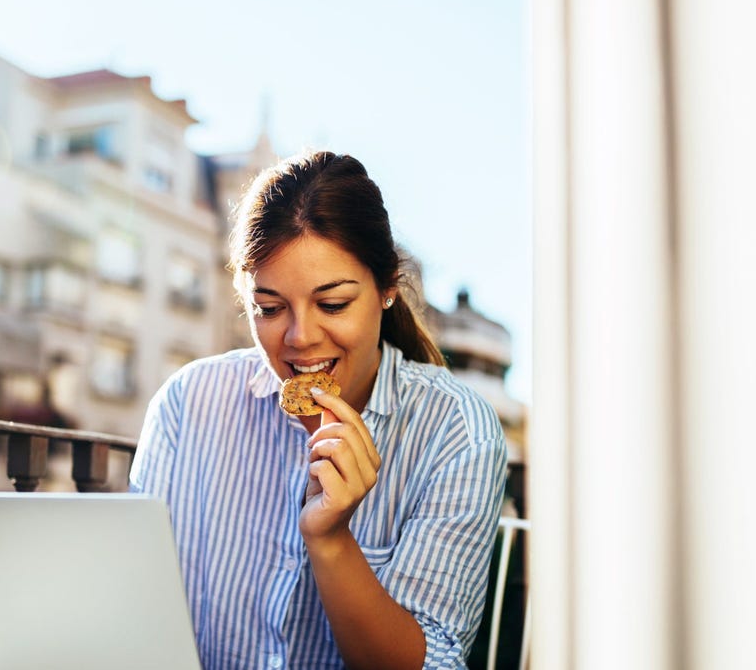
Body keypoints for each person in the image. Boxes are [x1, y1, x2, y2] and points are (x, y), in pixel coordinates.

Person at [130, 151, 507, 669]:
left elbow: (434, 661)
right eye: (270, 307)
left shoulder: (455, 431)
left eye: (332, 304)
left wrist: (330, 539)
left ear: (387, 288)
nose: (300, 338)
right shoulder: (187, 401)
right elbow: (136, 603)